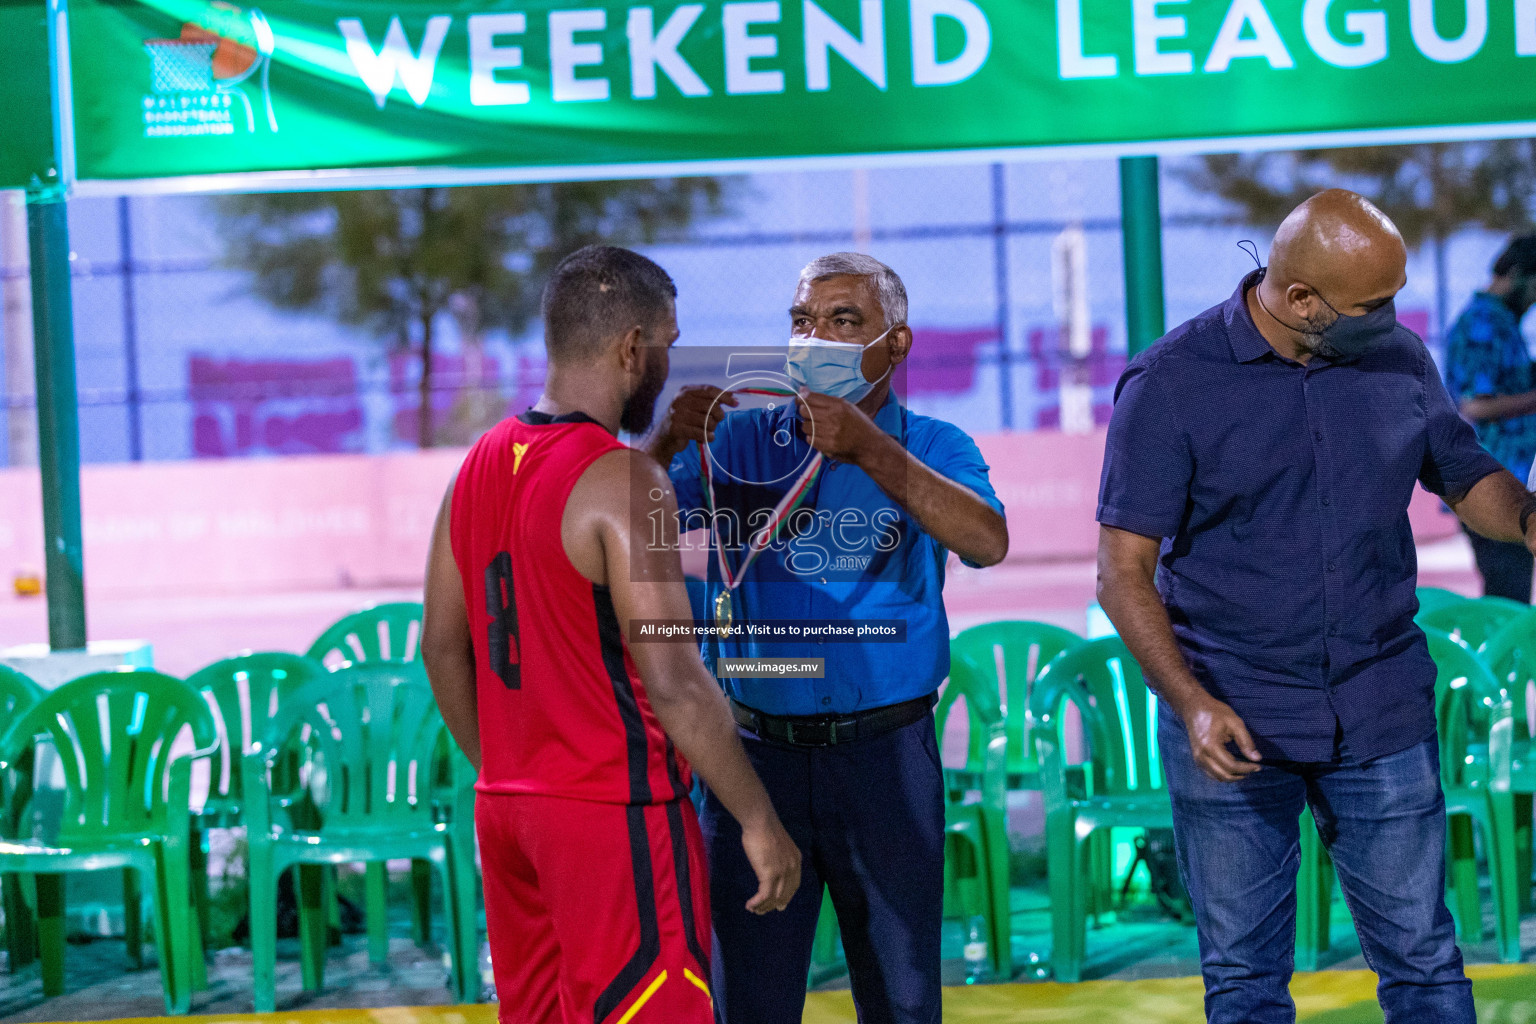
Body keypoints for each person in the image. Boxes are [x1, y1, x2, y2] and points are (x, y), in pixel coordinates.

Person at [1097, 189, 1536, 1024]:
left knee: (1426, 963)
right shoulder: (1170, 384)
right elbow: (1123, 573)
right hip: (1232, 718)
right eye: (1374, 303)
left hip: (1380, 707)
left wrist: (1523, 516)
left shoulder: (1398, 359)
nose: (1395, 316)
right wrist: (1190, 706)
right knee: (1245, 983)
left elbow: (1461, 469)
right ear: (1302, 299)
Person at [421, 245, 801, 1024]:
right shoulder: (628, 483)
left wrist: (504, 767)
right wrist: (760, 820)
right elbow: (675, 680)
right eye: (666, 343)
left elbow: (441, 646)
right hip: (612, 814)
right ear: (633, 347)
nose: (667, 362)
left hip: (508, 812)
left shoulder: (476, 467)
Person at [644, 253, 1009, 1024]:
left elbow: (986, 541)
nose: (819, 340)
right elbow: (634, 533)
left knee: (903, 999)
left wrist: (869, 450)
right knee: (749, 1000)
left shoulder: (932, 445)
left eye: (846, 322)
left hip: (885, 759)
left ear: (896, 344)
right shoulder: (740, 443)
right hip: (754, 761)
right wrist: (660, 446)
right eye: (804, 322)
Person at [1443, 234, 1536, 601]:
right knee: (1505, 603)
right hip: (1493, 488)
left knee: (1512, 599)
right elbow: (1474, 406)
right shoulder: (1481, 323)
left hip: (1514, 485)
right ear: (1516, 273)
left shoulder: (1502, 322)